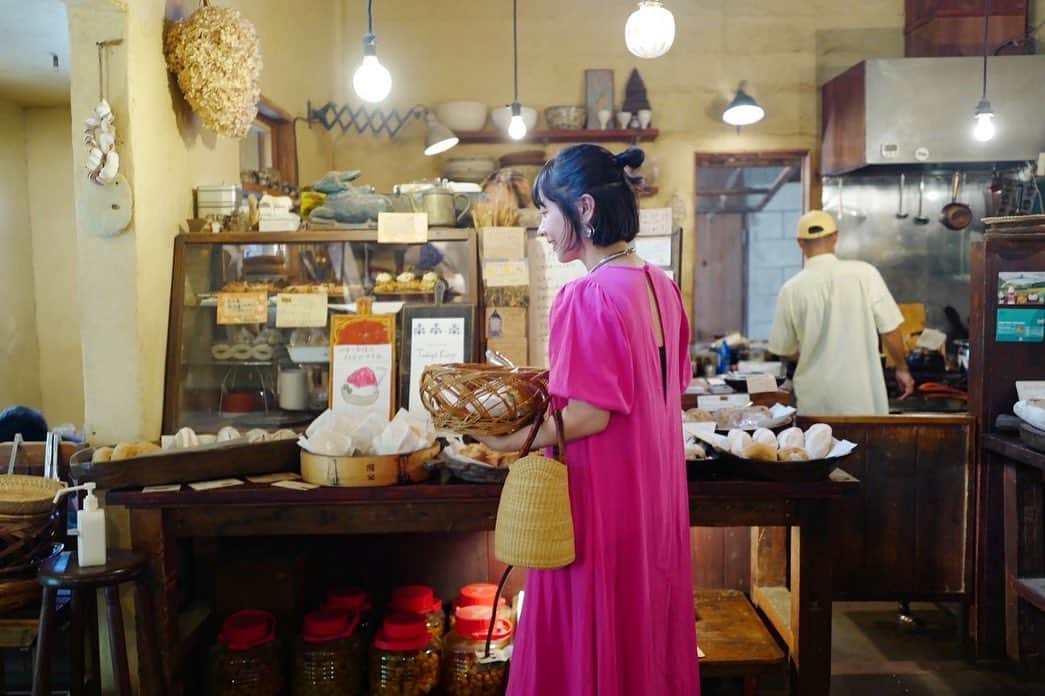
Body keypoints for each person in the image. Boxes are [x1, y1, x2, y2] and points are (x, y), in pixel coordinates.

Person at [479, 144, 700, 696]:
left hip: (598, 501)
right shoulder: (659, 285)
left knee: (590, 634)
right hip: (653, 497)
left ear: (583, 209)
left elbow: (588, 416)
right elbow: (662, 387)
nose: (542, 231)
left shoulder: (587, 294)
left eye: (546, 214)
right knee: (640, 632)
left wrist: (512, 440)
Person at [768, 210, 915, 415]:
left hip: (815, 404)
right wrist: (902, 369)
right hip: (862, 400)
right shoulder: (865, 274)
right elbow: (890, 329)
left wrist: (816, 348)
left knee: (820, 447)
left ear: (800, 243)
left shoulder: (790, 290)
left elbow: (785, 349)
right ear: (835, 237)